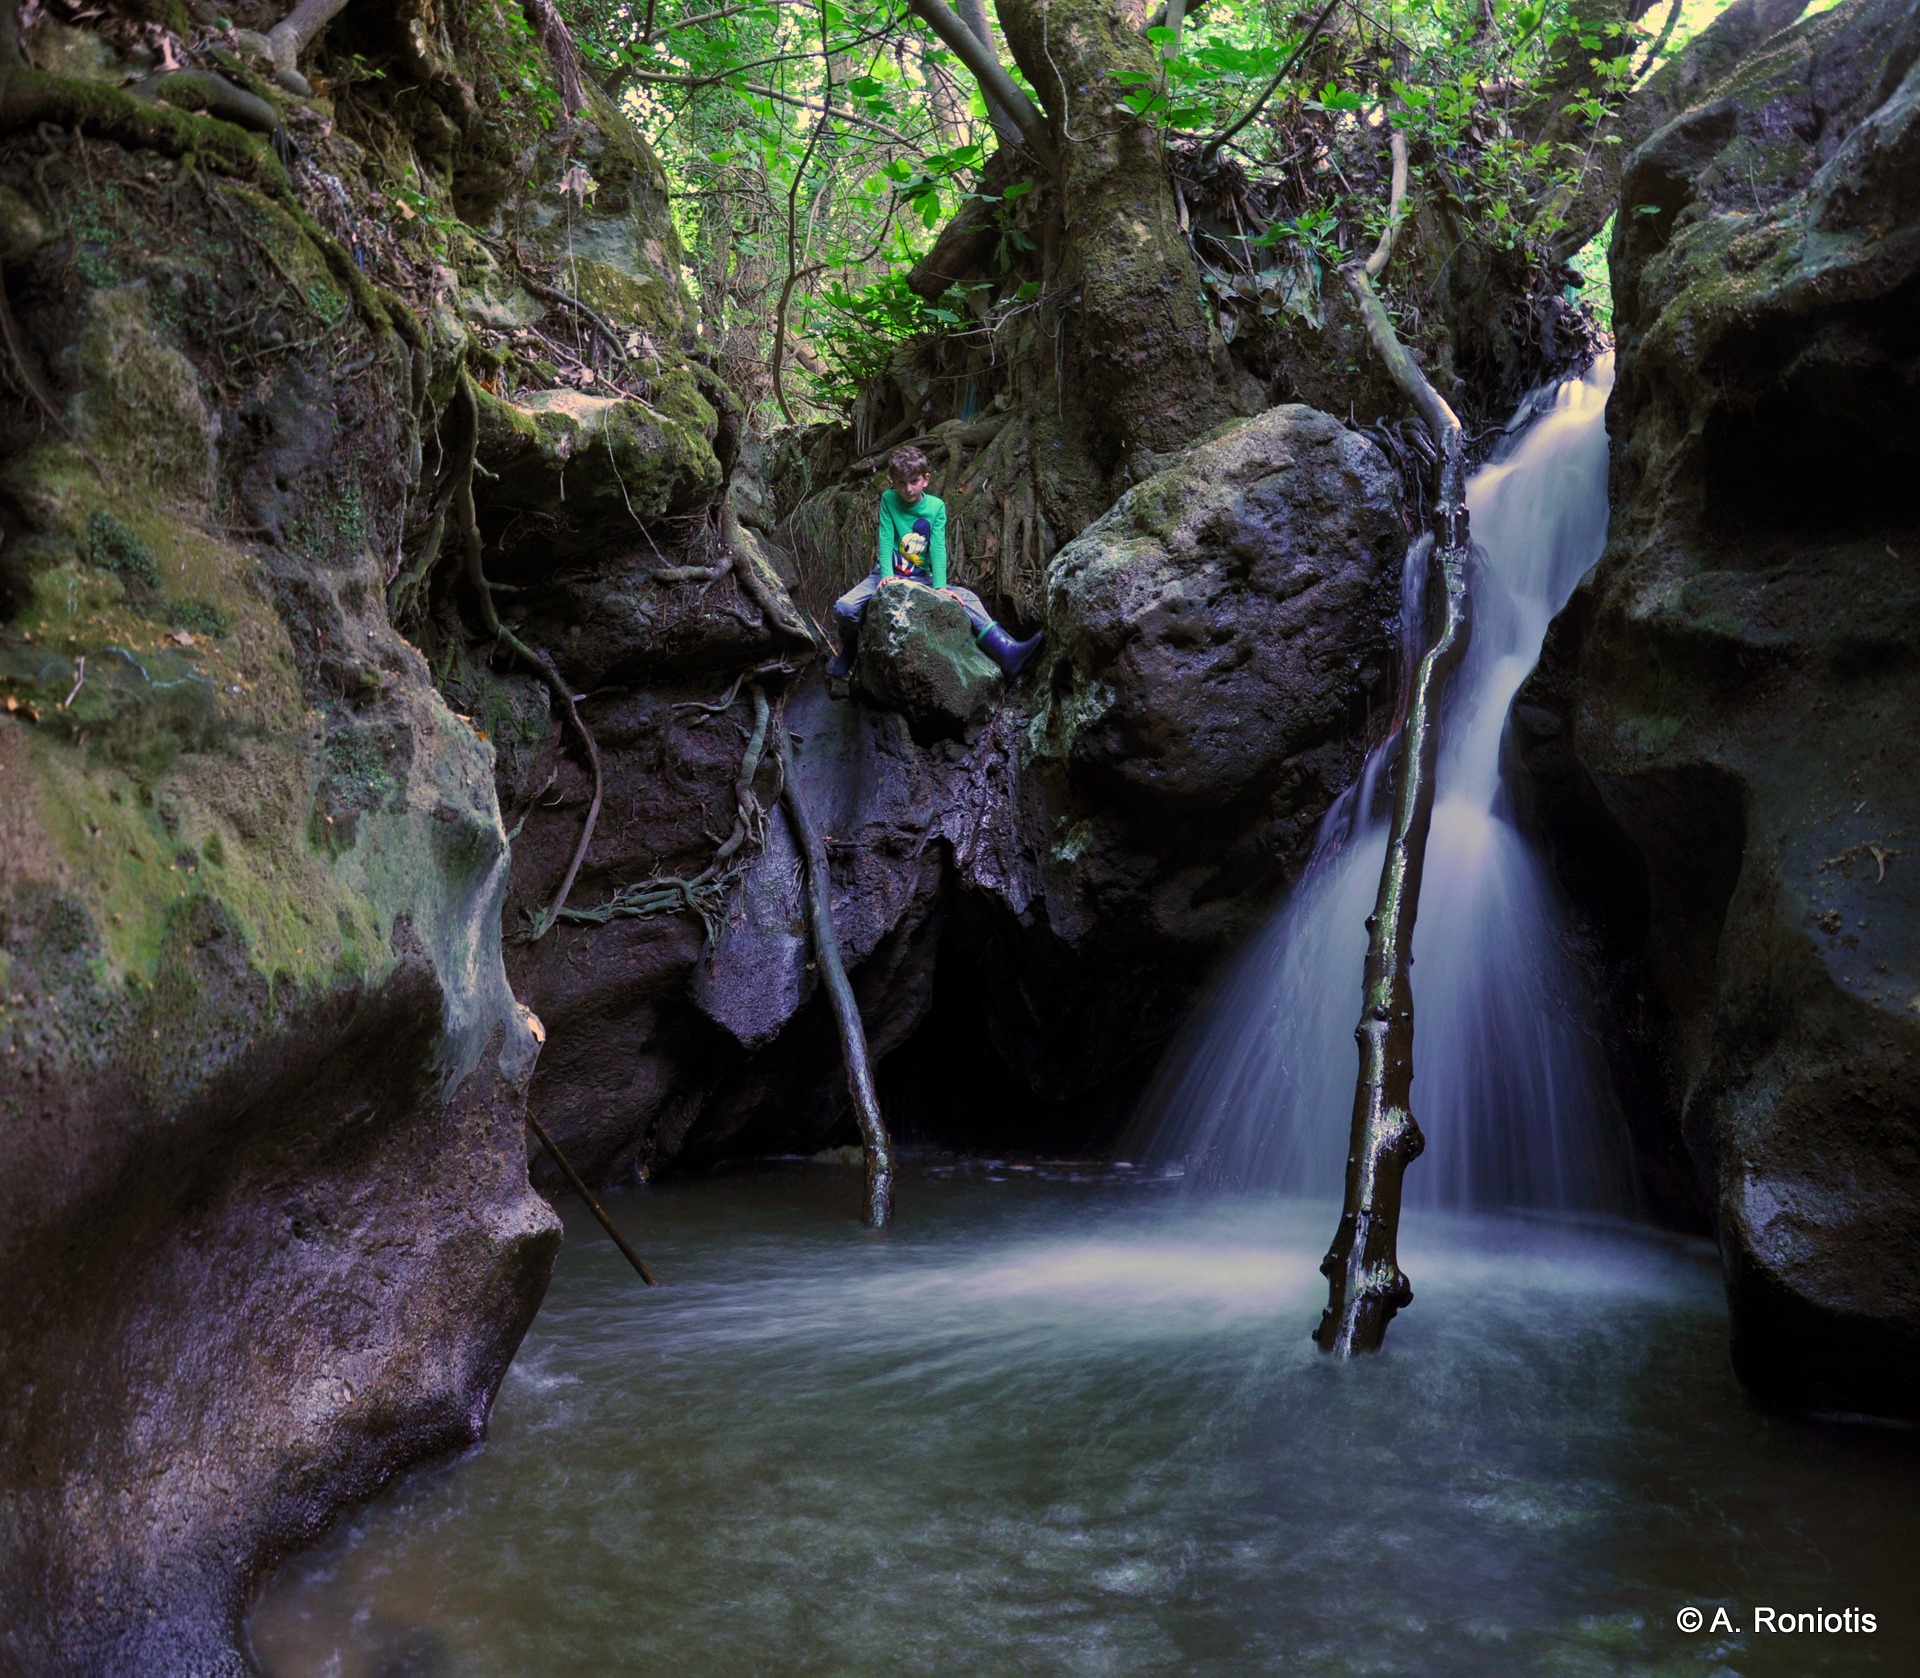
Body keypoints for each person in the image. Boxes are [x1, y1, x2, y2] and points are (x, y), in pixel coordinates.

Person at [826, 444, 1044, 682]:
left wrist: (940, 587)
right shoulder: (889, 500)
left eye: (914, 481)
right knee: (845, 608)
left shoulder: (936, 507)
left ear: (926, 480)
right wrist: (887, 574)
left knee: (968, 598)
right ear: (893, 482)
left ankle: (1008, 652)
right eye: (901, 483)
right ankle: (850, 648)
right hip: (885, 574)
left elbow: (938, 547)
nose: (908, 489)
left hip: (922, 578)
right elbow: (886, 537)